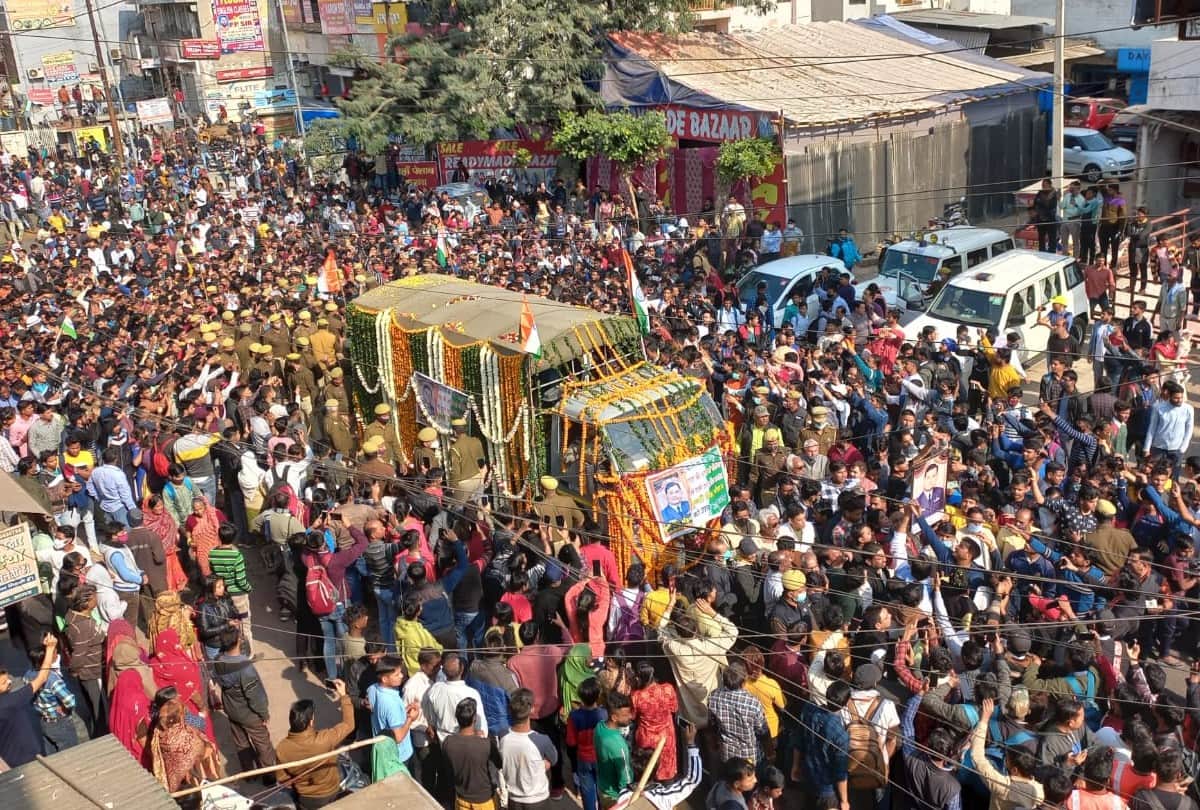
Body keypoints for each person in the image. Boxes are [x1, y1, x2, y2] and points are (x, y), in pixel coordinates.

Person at [276, 680, 356, 809]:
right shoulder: (325, 739)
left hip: (307, 799)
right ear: (311, 722)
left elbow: (283, 779)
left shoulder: (282, 748)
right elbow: (349, 724)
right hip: (332, 790)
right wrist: (343, 695)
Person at [213, 626, 277, 777]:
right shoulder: (245, 667)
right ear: (237, 641)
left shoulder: (217, 660)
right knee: (263, 745)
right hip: (249, 714)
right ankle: (269, 777)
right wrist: (263, 714)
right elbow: (255, 696)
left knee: (241, 743)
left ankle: (249, 774)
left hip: (231, 709)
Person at [0, 634, 61, 766]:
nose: (10, 682)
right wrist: (50, 649)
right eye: (4, 682)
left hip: (8, 757)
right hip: (26, 758)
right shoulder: (10, 702)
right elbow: (42, 678)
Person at [500, 688, 558, 810]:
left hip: (514, 800)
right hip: (538, 800)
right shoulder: (541, 740)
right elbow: (554, 759)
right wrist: (543, 764)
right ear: (531, 709)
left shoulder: (503, 736)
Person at [442, 697, 502, 810]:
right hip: (485, 800)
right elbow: (499, 764)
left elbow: (449, 770)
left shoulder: (448, 742)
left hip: (461, 799)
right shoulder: (486, 744)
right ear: (474, 718)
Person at [595, 691, 635, 807]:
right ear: (614, 717)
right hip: (616, 797)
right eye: (625, 715)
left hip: (602, 788)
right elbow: (626, 781)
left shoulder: (599, 726)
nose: (630, 717)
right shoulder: (619, 746)